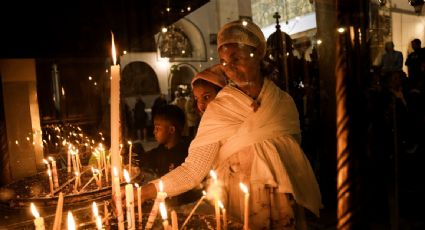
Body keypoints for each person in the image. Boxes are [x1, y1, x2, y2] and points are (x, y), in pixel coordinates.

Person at [137, 19, 321, 229]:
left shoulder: (283, 101)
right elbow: (193, 170)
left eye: (236, 57)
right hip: (240, 202)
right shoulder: (219, 108)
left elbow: (292, 153)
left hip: (283, 199)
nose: (229, 67)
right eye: (223, 61)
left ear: (257, 54)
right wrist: (146, 191)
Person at [139, 104, 200, 205]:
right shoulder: (161, 150)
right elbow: (147, 158)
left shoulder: (187, 153)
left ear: (171, 130)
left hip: (185, 207)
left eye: (157, 128)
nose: (154, 132)